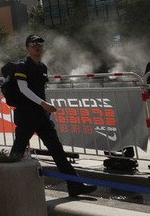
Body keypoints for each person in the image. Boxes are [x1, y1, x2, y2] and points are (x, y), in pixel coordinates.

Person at [9, 35, 97, 197]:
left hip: (42, 116)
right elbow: (23, 89)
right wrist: (43, 103)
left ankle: (74, 185)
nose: (38, 47)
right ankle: (7, 186)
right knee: (17, 151)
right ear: (27, 47)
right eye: (34, 44)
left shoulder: (42, 66)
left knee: (57, 150)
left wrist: (44, 108)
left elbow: (39, 88)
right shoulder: (22, 66)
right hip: (27, 115)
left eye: (40, 45)